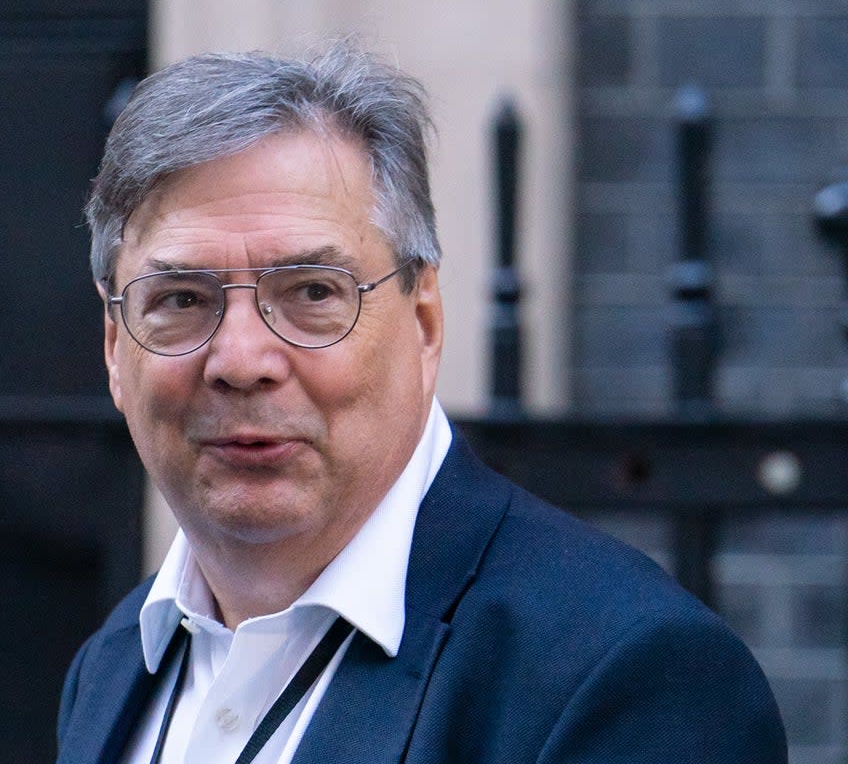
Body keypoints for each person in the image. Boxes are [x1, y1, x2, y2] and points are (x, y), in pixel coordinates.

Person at [56, 41, 787, 764]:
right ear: (117, 347)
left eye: (313, 293)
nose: (242, 361)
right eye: (181, 299)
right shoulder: (114, 665)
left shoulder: (626, 675)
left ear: (424, 321)